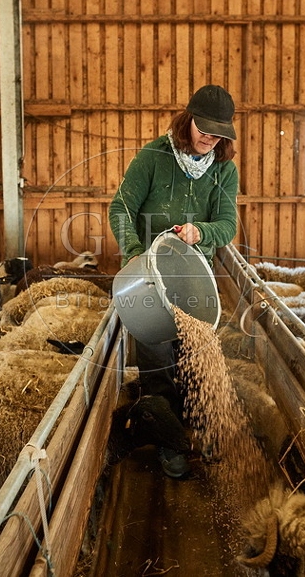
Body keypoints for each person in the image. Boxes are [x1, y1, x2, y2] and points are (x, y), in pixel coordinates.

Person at [108, 84, 240, 478]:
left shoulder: (223, 169)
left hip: (194, 277)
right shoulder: (154, 156)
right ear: (189, 120)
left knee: (197, 357)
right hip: (151, 276)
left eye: (219, 133)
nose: (210, 138)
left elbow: (228, 224)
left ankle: (201, 430)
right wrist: (134, 251)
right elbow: (122, 207)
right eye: (205, 128)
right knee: (156, 358)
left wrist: (201, 233)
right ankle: (169, 442)